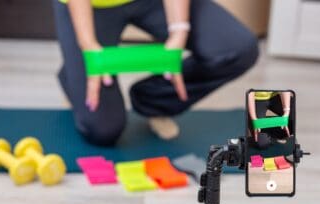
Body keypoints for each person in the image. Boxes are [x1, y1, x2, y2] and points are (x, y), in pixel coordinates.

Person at [52, 0, 259, 145]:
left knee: (238, 48)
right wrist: (88, 46)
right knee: (103, 131)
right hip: (90, 5)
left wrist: (179, 31)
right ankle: (71, 76)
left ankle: (151, 100)